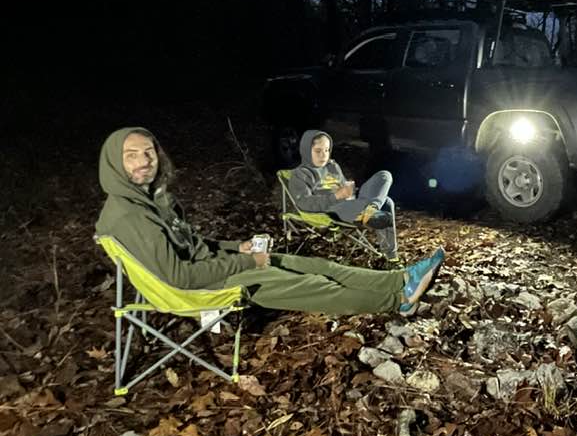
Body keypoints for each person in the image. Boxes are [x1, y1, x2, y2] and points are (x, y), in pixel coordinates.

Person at [95, 127, 442, 317]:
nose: (144, 161)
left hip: (217, 265)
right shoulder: (129, 215)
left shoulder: (152, 200)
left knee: (319, 266)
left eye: (149, 152)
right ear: (113, 163)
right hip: (205, 285)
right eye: (131, 155)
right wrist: (248, 262)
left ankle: (399, 278)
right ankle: (399, 299)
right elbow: (180, 276)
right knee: (316, 286)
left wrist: (239, 247)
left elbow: (194, 246)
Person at [289, 130, 398, 260]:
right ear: (306, 150)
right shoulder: (301, 174)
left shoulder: (332, 166)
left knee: (384, 175)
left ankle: (371, 209)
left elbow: (342, 185)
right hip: (333, 208)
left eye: (327, 150)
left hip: (352, 201)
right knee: (387, 203)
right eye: (318, 151)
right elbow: (304, 203)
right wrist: (335, 196)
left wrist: (349, 188)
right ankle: (390, 258)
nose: (323, 155)